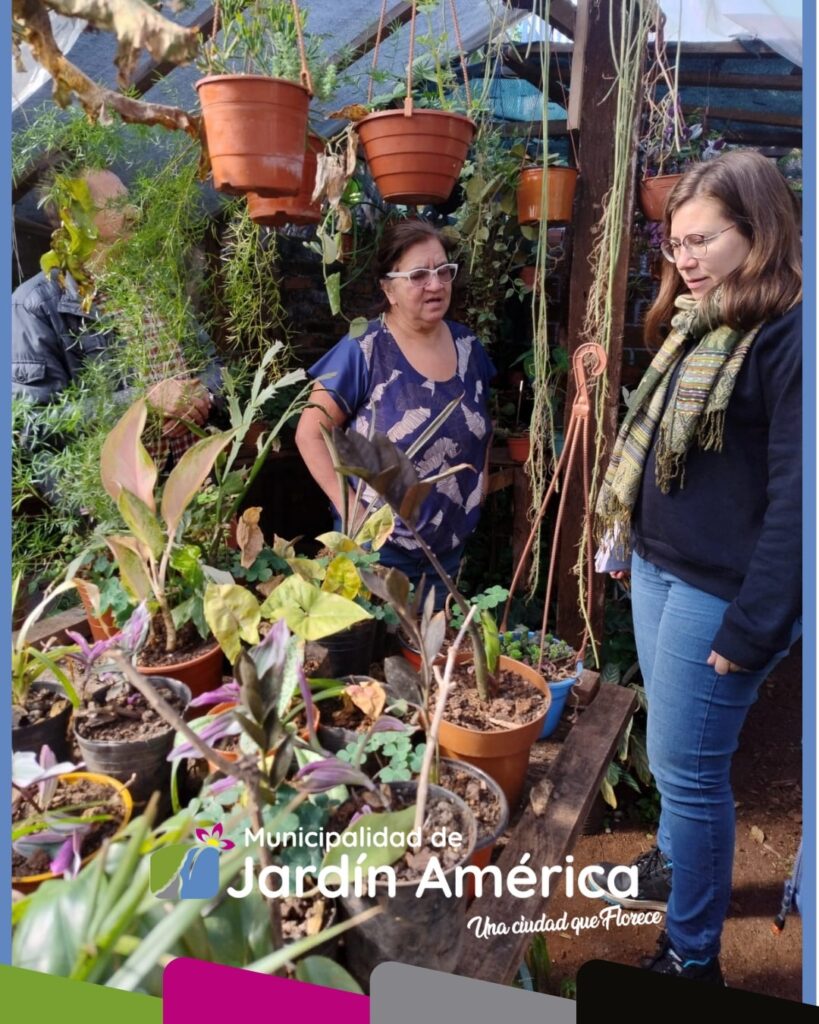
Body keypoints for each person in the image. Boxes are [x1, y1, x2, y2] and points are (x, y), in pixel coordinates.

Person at [590, 150, 802, 984]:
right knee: (676, 757)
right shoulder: (701, 321)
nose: (682, 258)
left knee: (688, 773)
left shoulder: (788, 336)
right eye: (673, 242)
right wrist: (630, 543)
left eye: (700, 240)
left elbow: (798, 500)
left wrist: (755, 626)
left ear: (758, 230)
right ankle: (669, 870)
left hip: (719, 593)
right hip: (659, 570)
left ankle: (688, 956)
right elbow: (670, 457)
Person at [295, 219, 496, 603]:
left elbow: (482, 424)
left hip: (449, 547)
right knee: (375, 640)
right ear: (388, 288)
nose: (436, 284)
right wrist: (356, 516)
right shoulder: (364, 349)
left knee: (436, 639)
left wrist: (479, 490)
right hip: (378, 553)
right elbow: (309, 433)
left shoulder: (469, 347)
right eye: (419, 275)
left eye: (443, 270)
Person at [12, 168, 220, 466]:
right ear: (75, 219)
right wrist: (145, 404)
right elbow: (31, 425)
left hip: (195, 477)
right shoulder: (35, 305)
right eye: (117, 204)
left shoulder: (156, 287)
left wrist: (202, 397)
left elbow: (213, 366)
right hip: (113, 490)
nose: (134, 213)